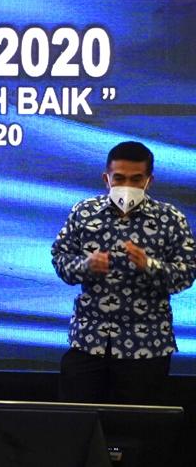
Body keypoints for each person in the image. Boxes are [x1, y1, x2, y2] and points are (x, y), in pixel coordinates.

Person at [53, 140, 196, 404]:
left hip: (147, 345)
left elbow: (187, 274)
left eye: (136, 179)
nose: (127, 186)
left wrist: (149, 266)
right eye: (119, 178)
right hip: (89, 340)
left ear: (149, 181)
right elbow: (60, 259)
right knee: (78, 419)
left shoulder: (171, 219)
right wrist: (85, 267)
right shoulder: (84, 212)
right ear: (106, 179)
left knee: (138, 424)